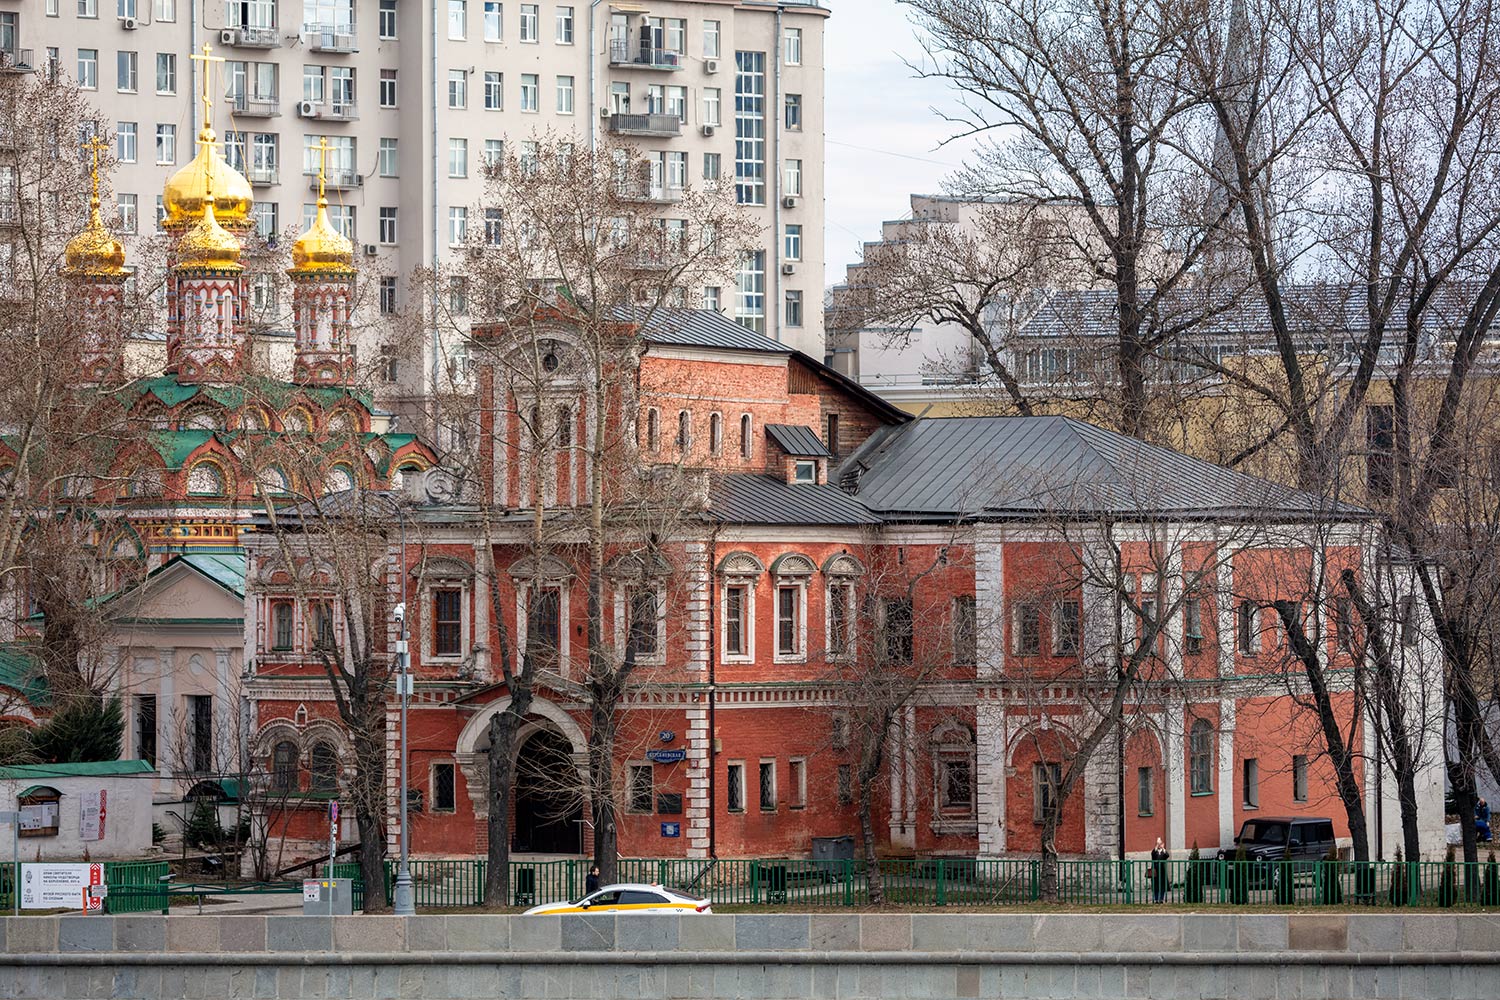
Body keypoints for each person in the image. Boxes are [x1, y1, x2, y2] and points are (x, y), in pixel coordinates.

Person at [1150, 838, 1170, 904]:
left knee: (1162, 885)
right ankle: (1156, 899)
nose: (1159, 845)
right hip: (1155, 871)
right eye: (1158, 844)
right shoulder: (1155, 852)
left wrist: (1163, 848)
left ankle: (1161, 899)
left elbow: (1167, 855)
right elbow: (1152, 854)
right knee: (1155, 885)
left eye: (1160, 844)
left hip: (1162, 871)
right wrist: (1157, 845)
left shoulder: (1163, 852)